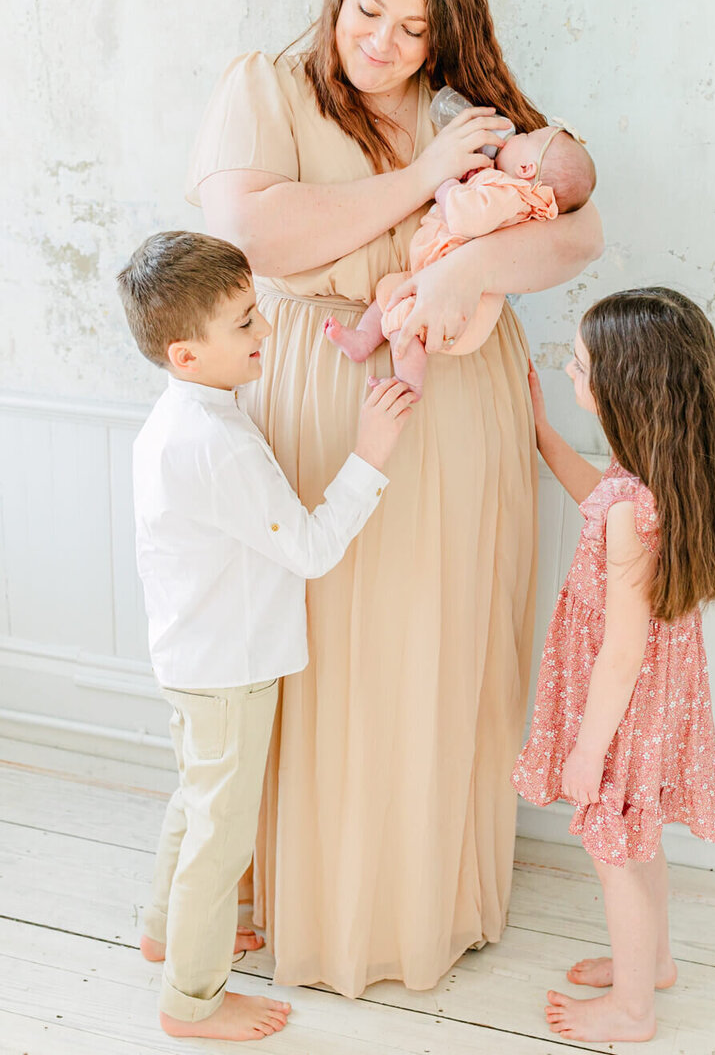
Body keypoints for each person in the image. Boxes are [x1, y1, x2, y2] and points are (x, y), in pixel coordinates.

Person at [187, 0, 603, 997]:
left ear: (443, 37)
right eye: (368, 10)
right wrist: (423, 185)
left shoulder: (468, 113)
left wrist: (466, 274)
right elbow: (254, 234)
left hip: (459, 404)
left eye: (414, 29)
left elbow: (577, 228)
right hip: (323, 396)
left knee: (434, 644)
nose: (383, 43)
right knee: (319, 653)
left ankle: (426, 901)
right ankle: (308, 902)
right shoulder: (263, 87)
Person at [117, 231, 416, 1041]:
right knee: (222, 833)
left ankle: (163, 931)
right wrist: (371, 455)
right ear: (186, 353)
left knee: (197, 799)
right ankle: (194, 1000)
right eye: (246, 323)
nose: (267, 333)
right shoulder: (217, 443)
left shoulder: (183, 416)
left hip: (195, 656)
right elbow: (312, 550)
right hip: (228, 667)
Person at [512, 288, 715, 1043]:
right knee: (637, 837)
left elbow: (622, 650)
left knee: (613, 849)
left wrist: (586, 750)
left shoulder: (629, 509)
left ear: (622, 388)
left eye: (579, 365)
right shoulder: (660, 479)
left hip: (621, 705)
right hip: (658, 699)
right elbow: (599, 500)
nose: (569, 368)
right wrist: (545, 431)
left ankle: (633, 1010)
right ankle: (655, 964)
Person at [325, 121, 596, 390]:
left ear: (526, 169)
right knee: (391, 291)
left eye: (525, 135)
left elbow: (467, 217)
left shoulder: (509, 192)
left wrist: (446, 188)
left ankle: (408, 384)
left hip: (458, 304)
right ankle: (363, 340)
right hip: (434, 278)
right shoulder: (504, 189)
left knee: (405, 318)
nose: (516, 133)